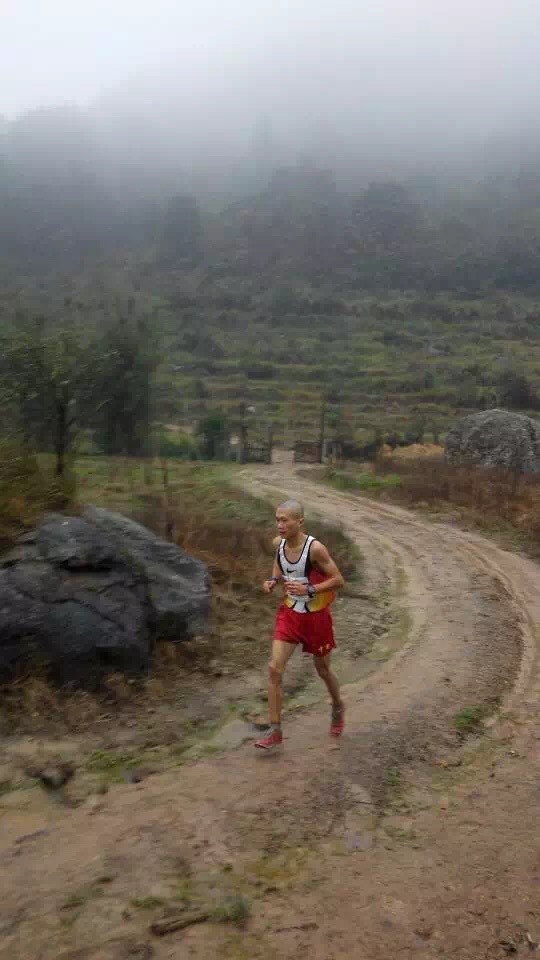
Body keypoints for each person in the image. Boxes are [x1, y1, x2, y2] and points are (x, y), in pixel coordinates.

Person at [255, 499, 345, 751]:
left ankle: (337, 705)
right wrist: (272, 580)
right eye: (277, 519)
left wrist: (311, 588)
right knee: (274, 669)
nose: (280, 525)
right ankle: (275, 730)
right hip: (290, 614)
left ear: (300, 522)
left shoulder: (315, 549)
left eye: (285, 520)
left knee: (323, 670)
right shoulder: (278, 544)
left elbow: (339, 580)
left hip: (316, 617)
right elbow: (278, 566)